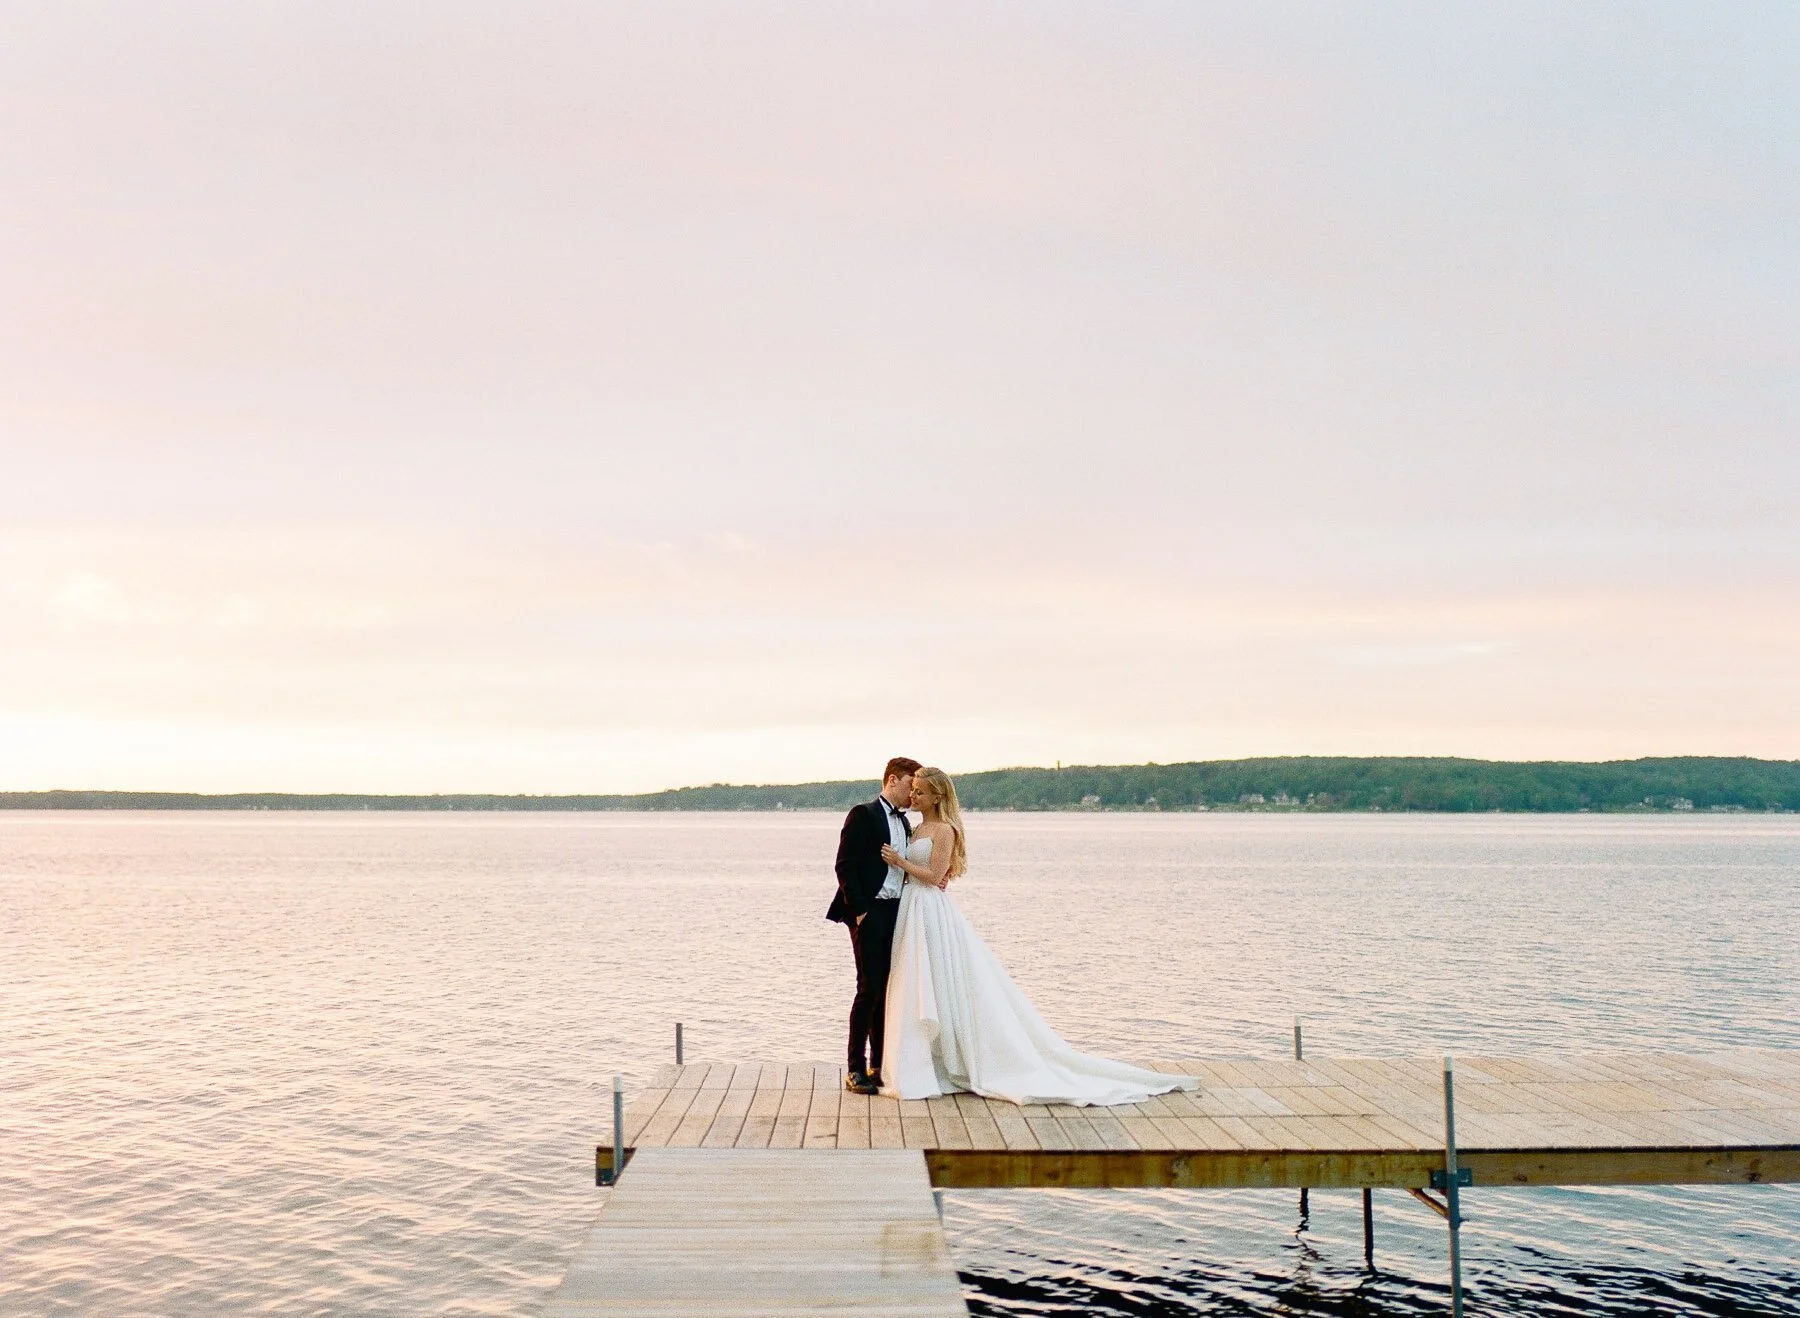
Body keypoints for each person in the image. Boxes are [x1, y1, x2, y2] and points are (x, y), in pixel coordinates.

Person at [879, 767, 1200, 1105]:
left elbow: (934, 875)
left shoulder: (944, 830)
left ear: (937, 797)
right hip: (912, 909)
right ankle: (926, 1061)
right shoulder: (916, 828)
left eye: (920, 792)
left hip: (929, 910)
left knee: (938, 979)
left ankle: (961, 1062)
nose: (913, 796)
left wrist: (900, 861)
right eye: (912, 790)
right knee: (917, 983)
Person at [827, 756, 922, 1096]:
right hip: (869, 912)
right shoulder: (863, 814)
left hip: (897, 911)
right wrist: (860, 911)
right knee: (868, 988)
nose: (914, 794)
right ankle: (855, 1068)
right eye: (911, 786)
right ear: (893, 780)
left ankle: (879, 1064)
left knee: (887, 988)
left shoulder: (906, 824)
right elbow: (844, 866)